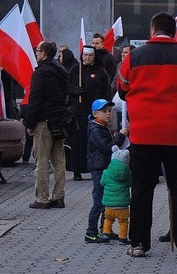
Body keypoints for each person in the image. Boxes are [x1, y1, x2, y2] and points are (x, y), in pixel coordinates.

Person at [117, 11, 177, 258]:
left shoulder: (134, 57)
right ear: (173, 32)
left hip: (143, 134)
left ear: (152, 29)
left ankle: (138, 243)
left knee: (141, 190)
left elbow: (122, 90)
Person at [24, 40, 69, 209]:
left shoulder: (40, 73)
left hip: (44, 122)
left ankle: (42, 198)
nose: (36, 53)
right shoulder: (61, 70)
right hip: (60, 120)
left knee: (41, 161)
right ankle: (58, 197)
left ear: (44, 54)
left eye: (38, 51)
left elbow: (35, 100)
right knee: (59, 160)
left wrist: (29, 123)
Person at [85, 99, 128, 243]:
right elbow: (107, 149)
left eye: (109, 110)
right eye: (104, 111)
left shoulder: (102, 127)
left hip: (104, 167)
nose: (108, 113)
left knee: (106, 201)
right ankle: (91, 232)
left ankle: (106, 231)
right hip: (99, 169)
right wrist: (121, 136)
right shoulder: (96, 130)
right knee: (99, 201)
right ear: (95, 113)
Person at [67, 45, 111, 180]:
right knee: (78, 141)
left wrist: (105, 108)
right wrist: (76, 90)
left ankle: (93, 167)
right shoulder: (75, 69)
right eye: (85, 55)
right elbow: (67, 86)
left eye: (90, 55)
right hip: (78, 110)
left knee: (93, 141)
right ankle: (77, 171)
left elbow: (106, 90)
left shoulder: (101, 71)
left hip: (95, 111)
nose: (88, 58)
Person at [101, 145, 132, 246]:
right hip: (122, 205)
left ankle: (105, 233)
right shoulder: (127, 173)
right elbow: (130, 183)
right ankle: (122, 238)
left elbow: (102, 182)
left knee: (108, 219)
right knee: (123, 222)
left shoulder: (106, 172)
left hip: (109, 204)